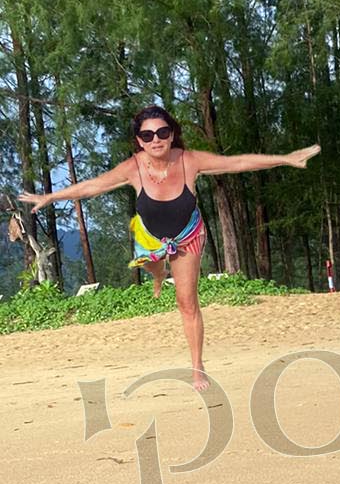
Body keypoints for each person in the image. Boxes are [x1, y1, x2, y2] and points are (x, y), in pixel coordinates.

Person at [19, 105, 319, 392]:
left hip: (187, 236)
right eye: (147, 135)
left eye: (162, 132)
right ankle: (159, 273)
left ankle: (197, 365)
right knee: (152, 266)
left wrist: (286, 158)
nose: (156, 140)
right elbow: (93, 186)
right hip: (150, 237)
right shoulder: (133, 167)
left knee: (186, 302)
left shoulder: (190, 161)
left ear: (172, 134)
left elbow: (236, 163)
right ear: (139, 141)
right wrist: (50, 197)